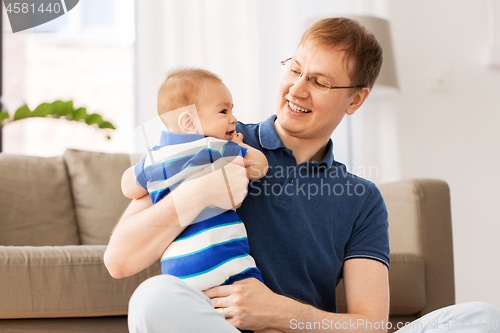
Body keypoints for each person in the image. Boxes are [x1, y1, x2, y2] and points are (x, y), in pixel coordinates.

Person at [104, 18, 500, 333]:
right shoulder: (214, 146)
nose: (297, 88)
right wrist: (200, 192)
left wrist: (280, 313)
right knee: (153, 298)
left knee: (482, 319)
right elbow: (119, 260)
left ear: (356, 99)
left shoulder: (360, 199)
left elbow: (371, 325)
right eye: (295, 69)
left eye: (320, 81)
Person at [120, 68, 269, 292]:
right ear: (189, 123)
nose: (233, 119)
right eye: (223, 111)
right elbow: (260, 166)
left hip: (180, 273)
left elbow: (128, 187)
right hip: (226, 261)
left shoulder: (154, 159)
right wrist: (240, 145)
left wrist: (149, 175)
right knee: (260, 310)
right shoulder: (212, 146)